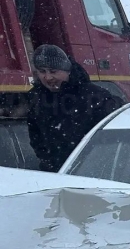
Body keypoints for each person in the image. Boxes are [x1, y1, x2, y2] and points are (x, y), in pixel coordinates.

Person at [26, 45, 119, 173]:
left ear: (67, 70)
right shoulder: (36, 97)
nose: (48, 77)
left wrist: (89, 163)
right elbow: (35, 135)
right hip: (54, 173)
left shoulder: (94, 96)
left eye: (53, 71)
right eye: (42, 71)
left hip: (91, 171)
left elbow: (111, 138)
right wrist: (48, 161)